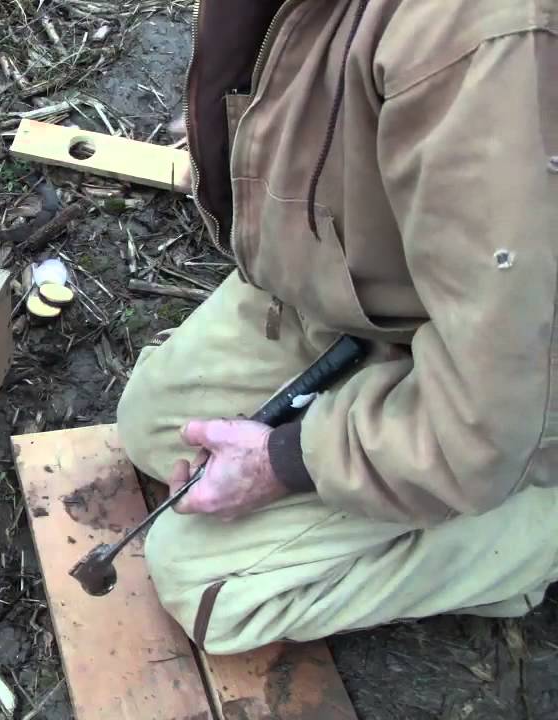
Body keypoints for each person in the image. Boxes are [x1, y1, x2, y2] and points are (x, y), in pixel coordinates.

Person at [117, 0, 557, 654]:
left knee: (207, 586)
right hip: (379, 296)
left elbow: (495, 399)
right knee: (152, 425)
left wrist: (284, 461)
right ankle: (385, 413)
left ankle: (531, 531)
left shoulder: (487, 46)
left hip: (508, 380)